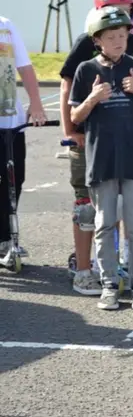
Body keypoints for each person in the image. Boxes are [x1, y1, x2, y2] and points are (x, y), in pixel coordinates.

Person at [69, 6, 133, 310]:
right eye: (111, 37)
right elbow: (74, 116)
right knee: (104, 223)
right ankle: (109, 283)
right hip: (102, 158)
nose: (119, 41)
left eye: (122, 35)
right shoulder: (86, 70)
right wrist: (93, 99)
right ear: (97, 40)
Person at [60, 0, 133, 295]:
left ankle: (118, 267)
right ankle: (84, 269)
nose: (120, 14)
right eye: (114, 8)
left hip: (125, 140)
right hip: (89, 138)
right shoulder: (88, 42)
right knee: (89, 208)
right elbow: (66, 84)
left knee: (125, 210)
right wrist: (70, 131)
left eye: (126, 8)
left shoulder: (132, 42)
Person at [0, 16, 47, 259]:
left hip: (9, 120)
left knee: (13, 181)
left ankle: (5, 239)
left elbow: (25, 67)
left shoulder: (5, 25)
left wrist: (36, 103)